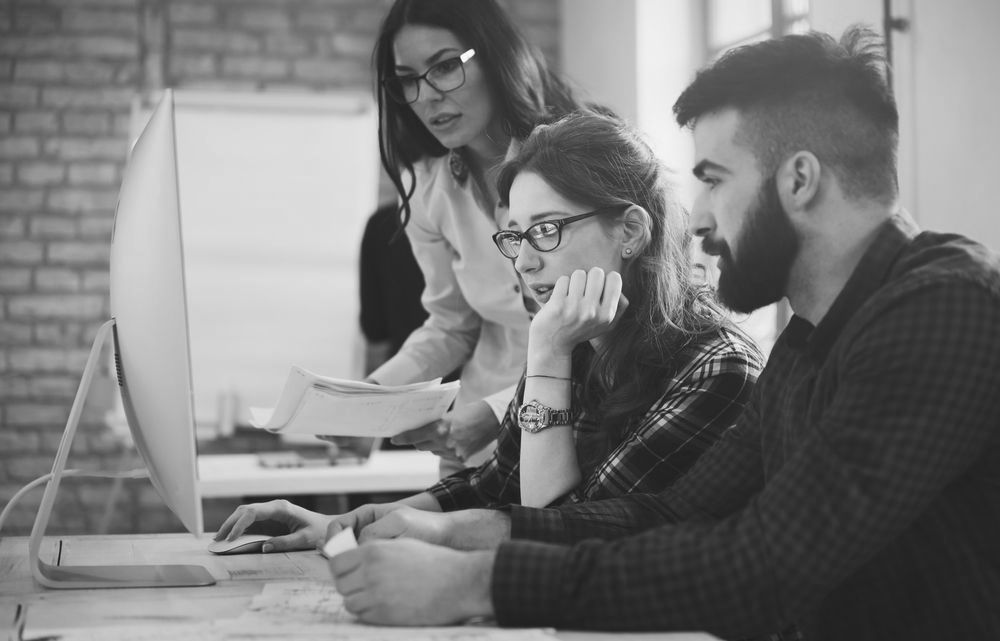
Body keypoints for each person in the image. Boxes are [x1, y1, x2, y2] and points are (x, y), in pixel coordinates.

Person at [324, 26, 1000, 640]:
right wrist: (463, 531)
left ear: (799, 178)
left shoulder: (942, 308)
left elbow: (761, 562)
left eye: (713, 180)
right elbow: (668, 512)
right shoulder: (808, 338)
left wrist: (477, 581)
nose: (697, 217)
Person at [215, 109, 764, 547]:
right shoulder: (579, 340)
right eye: (515, 236)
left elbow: (558, 534)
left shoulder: (715, 367)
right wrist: (343, 525)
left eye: (546, 230)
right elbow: (491, 485)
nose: (523, 264)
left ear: (631, 231)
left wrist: (547, 353)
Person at [365, 0, 584, 473]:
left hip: (579, 420)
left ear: (495, 56)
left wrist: (498, 413)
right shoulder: (431, 187)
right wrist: (371, 396)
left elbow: (605, 323)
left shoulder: (575, 161)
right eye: (406, 79)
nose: (425, 96)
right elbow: (451, 325)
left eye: (444, 67)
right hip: (475, 443)